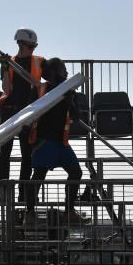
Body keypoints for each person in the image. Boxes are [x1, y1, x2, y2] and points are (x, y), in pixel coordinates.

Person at [23, 58, 90, 226]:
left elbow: (76, 116)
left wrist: (68, 101)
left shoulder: (69, 91)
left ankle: (69, 212)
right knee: (39, 175)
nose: (66, 73)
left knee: (76, 172)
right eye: (63, 69)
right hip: (43, 140)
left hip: (62, 142)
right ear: (54, 71)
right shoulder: (40, 89)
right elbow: (28, 112)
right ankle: (29, 213)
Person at [0, 27, 43, 204]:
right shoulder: (11, 62)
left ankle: (24, 192)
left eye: (34, 46)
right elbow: (7, 90)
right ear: (19, 44)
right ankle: (4, 190)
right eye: (29, 46)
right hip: (10, 110)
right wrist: (5, 69)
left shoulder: (38, 63)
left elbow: (45, 84)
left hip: (28, 111)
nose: (32, 50)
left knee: (27, 154)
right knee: (4, 152)